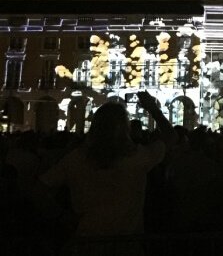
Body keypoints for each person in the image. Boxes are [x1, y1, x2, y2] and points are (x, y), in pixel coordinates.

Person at [39, 93, 176, 237]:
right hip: (126, 242)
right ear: (125, 129)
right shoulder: (136, 158)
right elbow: (171, 136)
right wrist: (152, 108)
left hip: (86, 240)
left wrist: (61, 217)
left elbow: (39, 190)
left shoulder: (76, 158)